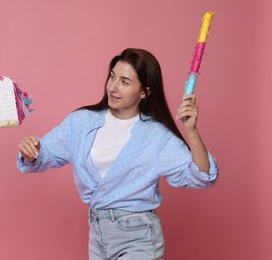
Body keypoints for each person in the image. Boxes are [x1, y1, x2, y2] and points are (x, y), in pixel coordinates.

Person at [17, 48, 218, 260]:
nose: (113, 87)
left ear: (144, 92)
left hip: (139, 237)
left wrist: (191, 131)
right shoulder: (82, 122)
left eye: (124, 82)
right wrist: (31, 150)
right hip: (97, 236)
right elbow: (44, 153)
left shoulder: (156, 135)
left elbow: (202, 175)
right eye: (112, 77)